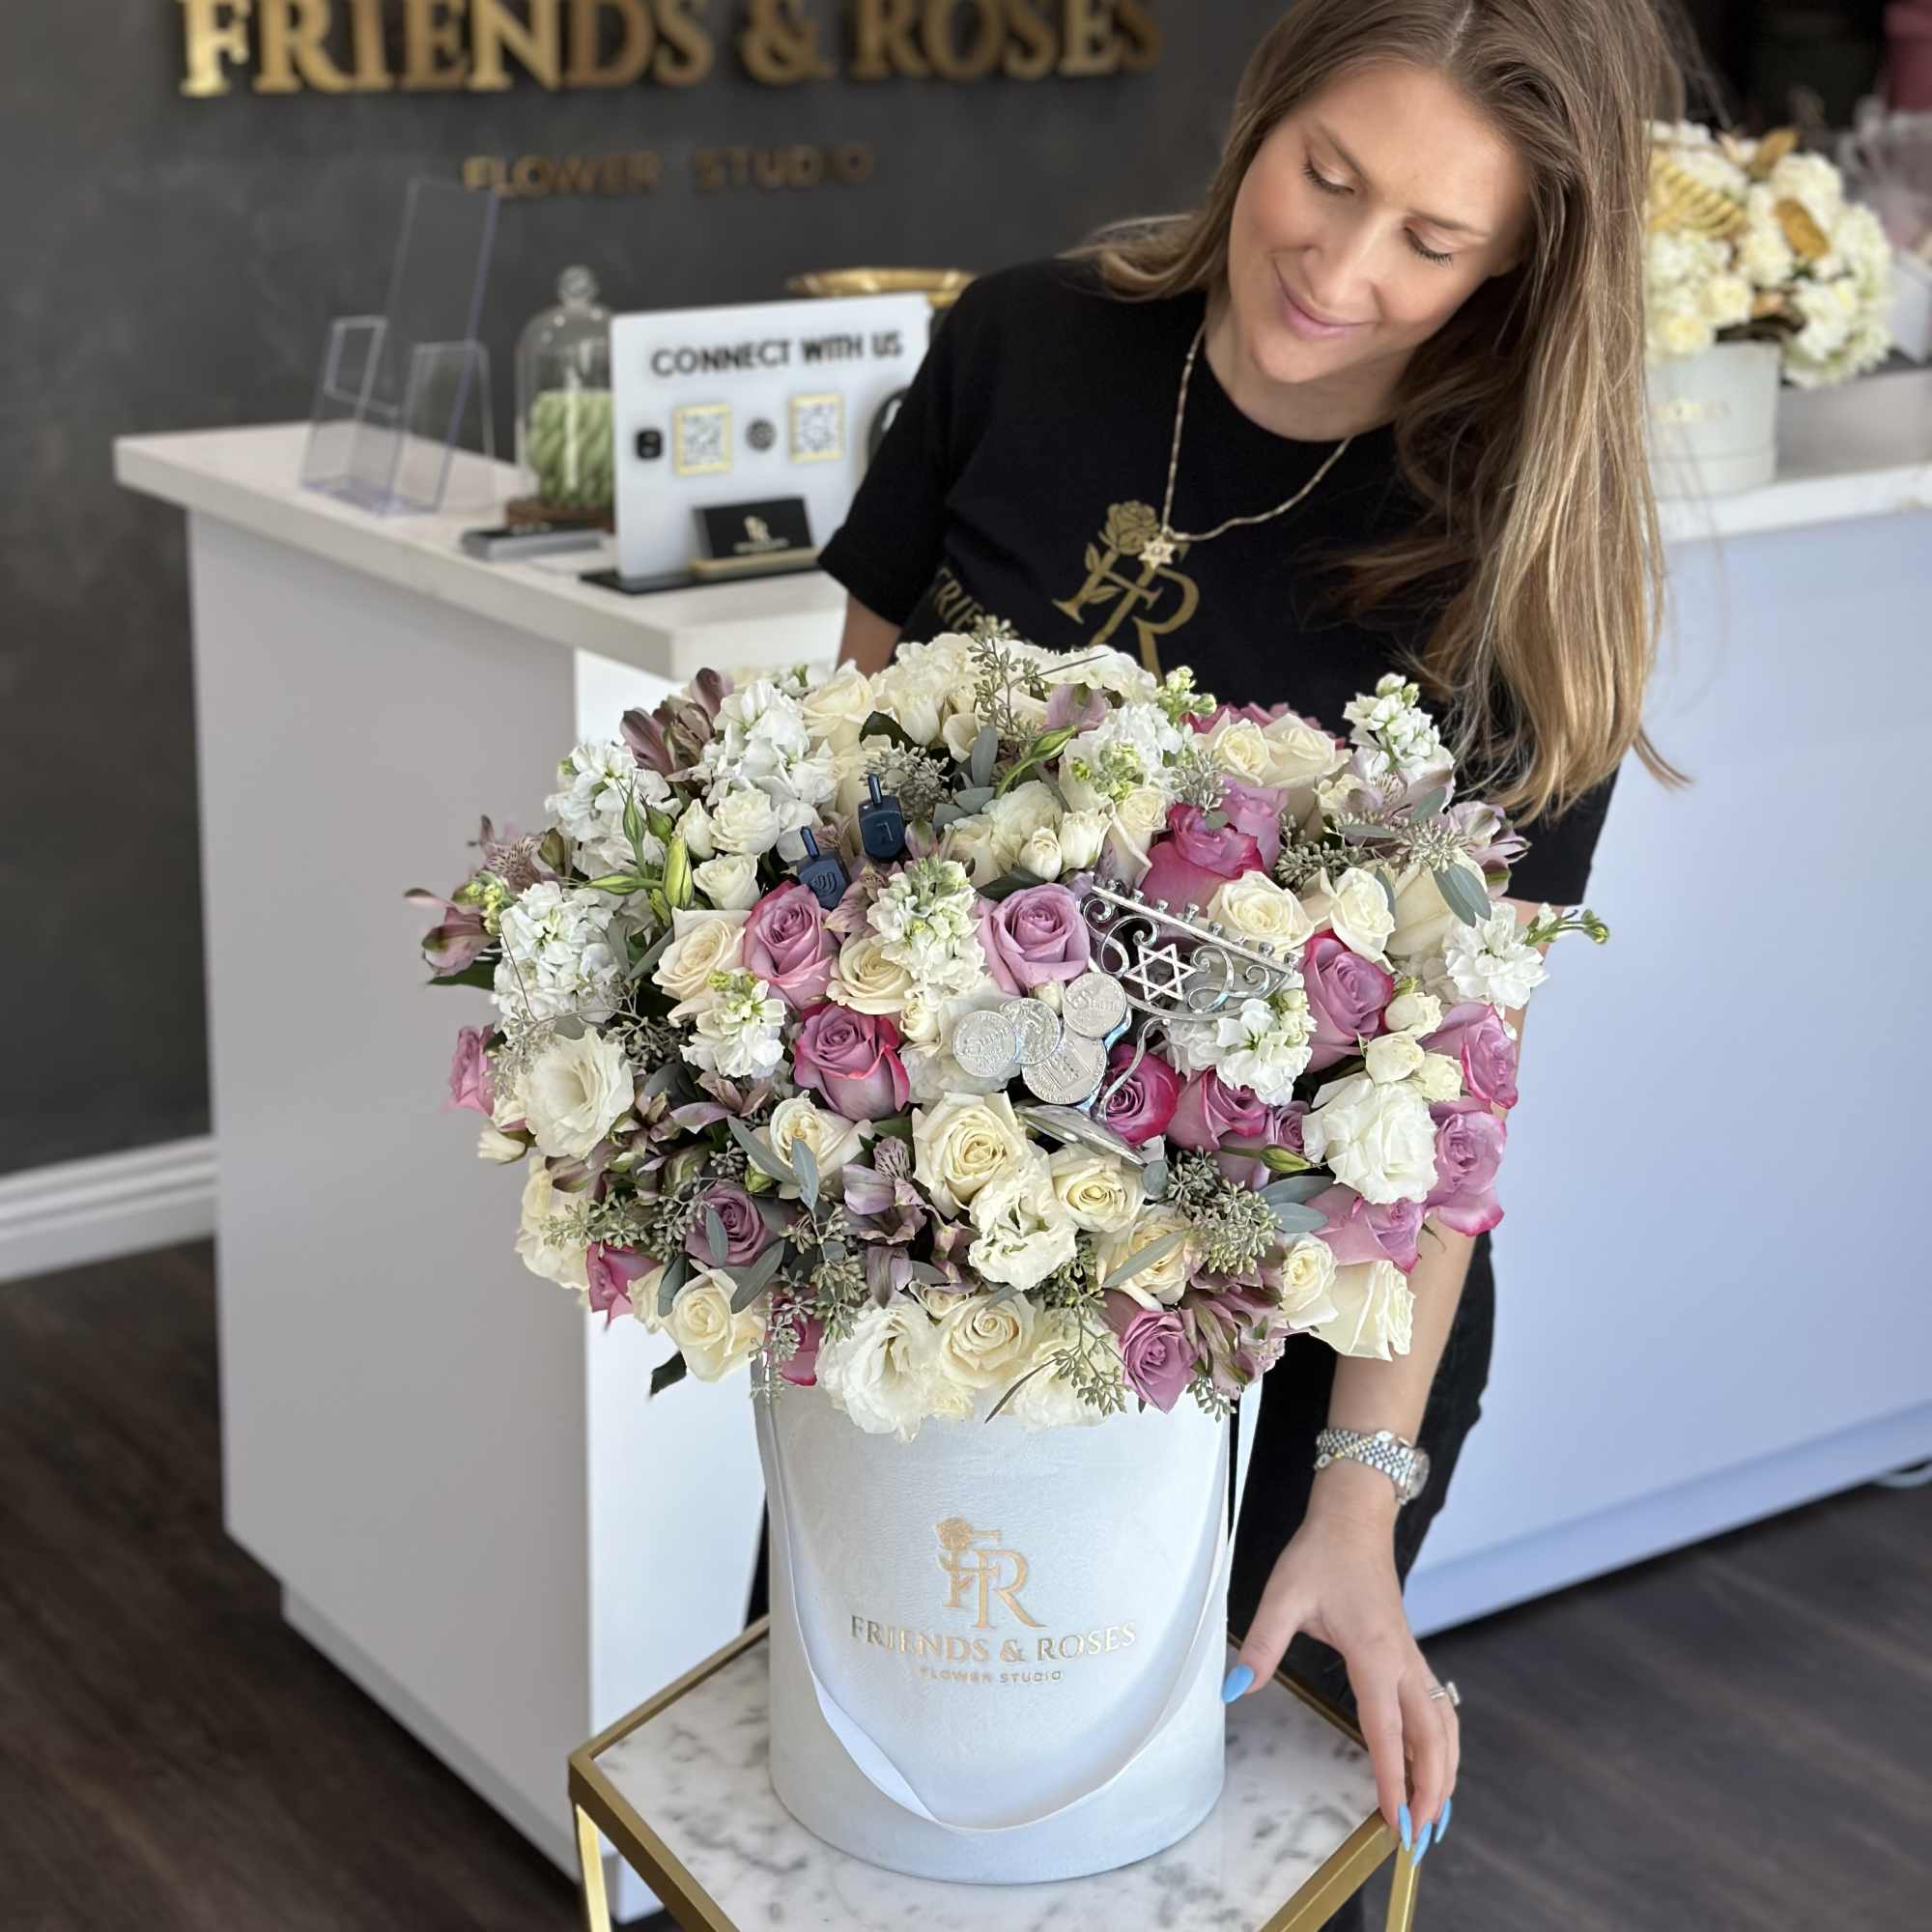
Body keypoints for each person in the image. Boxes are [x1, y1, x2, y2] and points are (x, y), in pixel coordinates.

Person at [817, 0, 1697, 1912]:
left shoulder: (1515, 575)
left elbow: (1455, 1090)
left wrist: (1359, 1500)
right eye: (1328, 176)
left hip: (1289, 1326)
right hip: (926, 1250)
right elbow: (840, 824)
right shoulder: (1018, 347)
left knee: (1172, 1870)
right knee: (871, 1822)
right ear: (1265, 112)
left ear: (1519, 270)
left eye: (1431, 242)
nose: (1342, 263)